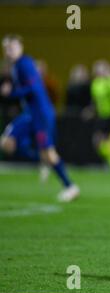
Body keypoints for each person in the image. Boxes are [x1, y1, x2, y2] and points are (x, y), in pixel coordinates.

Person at [0, 34, 79, 202]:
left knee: (49, 153)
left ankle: (70, 187)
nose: (9, 51)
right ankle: (41, 161)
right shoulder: (15, 67)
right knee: (7, 143)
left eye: (12, 47)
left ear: (20, 47)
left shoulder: (25, 64)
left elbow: (33, 88)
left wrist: (11, 93)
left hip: (40, 113)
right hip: (30, 114)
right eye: (6, 48)